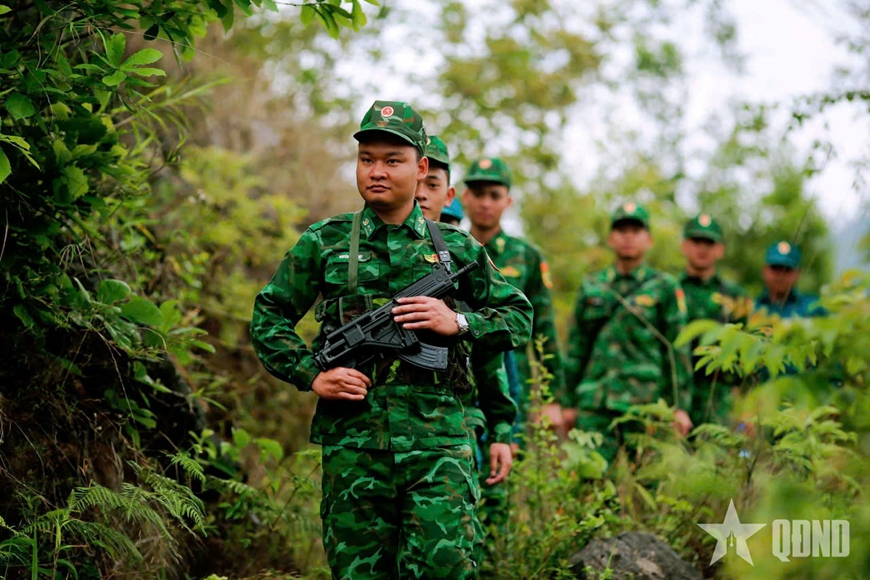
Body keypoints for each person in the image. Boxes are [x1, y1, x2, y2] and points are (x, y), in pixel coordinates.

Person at [250, 101, 533, 579]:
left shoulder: (456, 247)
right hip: (355, 449)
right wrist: (312, 375)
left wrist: (459, 323)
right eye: (367, 159)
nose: (376, 171)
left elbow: (518, 316)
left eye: (392, 160)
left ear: (421, 169)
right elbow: (269, 316)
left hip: (439, 448)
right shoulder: (325, 242)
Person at [415, 134, 519, 565]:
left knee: (455, 549)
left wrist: (501, 430)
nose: (422, 194)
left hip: (456, 422)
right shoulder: (354, 250)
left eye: (432, 184)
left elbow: (492, 354)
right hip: (374, 434)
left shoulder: (459, 258)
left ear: (447, 194)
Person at [562, 202, 693, 463]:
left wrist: (680, 407)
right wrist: (567, 402)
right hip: (596, 402)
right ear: (611, 239)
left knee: (649, 480)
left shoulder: (664, 287)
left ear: (649, 239)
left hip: (646, 404)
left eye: (636, 230)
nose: (628, 237)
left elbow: (677, 349)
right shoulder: (593, 285)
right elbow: (577, 347)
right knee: (589, 478)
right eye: (621, 231)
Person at [461, 157, 566, 434]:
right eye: (478, 194)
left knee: (509, 457)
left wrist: (552, 398)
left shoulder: (527, 256)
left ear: (508, 201)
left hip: (512, 384)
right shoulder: (450, 249)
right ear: (465, 197)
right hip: (459, 381)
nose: (485, 203)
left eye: (494, 195)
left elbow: (544, 328)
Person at [679, 214, 751, 426]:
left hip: (720, 398)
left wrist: (743, 406)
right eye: (696, 242)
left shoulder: (734, 296)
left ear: (720, 249)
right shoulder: (670, 289)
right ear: (685, 246)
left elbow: (745, 353)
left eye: (709, 243)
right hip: (678, 394)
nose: (702, 249)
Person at [756, 241, 825, 318]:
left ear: (797, 273)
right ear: (764, 270)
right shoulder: (751, 309)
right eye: (775, 268)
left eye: (787, 270)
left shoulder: (814, 308)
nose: (781, 275)